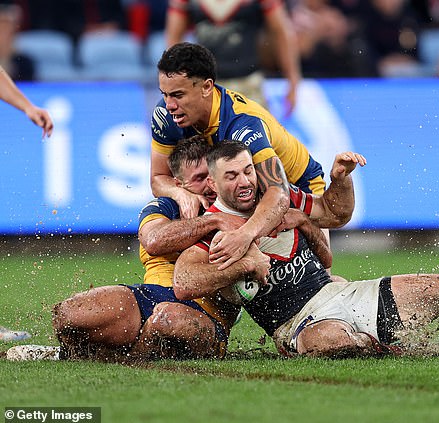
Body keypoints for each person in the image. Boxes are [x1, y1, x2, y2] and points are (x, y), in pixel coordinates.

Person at [174, 141, 439, 358]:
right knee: (336, 341)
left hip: (341, 295)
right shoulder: (213, 230)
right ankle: (403, 347)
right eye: (232, 176)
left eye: (249, 171)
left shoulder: (279, 203)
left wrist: (340, 179)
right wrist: (241, 264)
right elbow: (184, 281)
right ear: (214, 182)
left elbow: (334, 212)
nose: (246, 181)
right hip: (297, 324)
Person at [7, 137, 243, 362]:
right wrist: (211, 221)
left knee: (167, 317)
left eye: (212, 176)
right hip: (149, 297)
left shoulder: (235, 210)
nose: (209, 185)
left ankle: (112, 357)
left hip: (205, 315)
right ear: (179, 185)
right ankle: (78, 354)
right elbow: (153, 241)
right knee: (68, 315)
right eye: (200, 178)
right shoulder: (164, 207)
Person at [151, 41, 326, 271]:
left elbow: (279, 194)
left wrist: (244, 235)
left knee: (314, 288)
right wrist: (180, 193)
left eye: (178, 95)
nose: (170, 105)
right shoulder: (166, 116)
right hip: (246, 191)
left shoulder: (242, 123)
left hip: (299, 188)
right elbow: (158, 178)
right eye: (164, 94)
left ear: (206, 87)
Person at [164, 0, 301, 113]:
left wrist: (293, 80)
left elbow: (281, 33)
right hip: (207, 87)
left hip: (248, 83)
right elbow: (173, 39)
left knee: (256, 141)